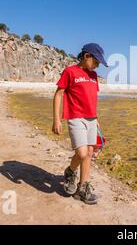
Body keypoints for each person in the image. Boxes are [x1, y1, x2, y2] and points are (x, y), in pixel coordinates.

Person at [52, 43, 108, 204]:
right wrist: (57, 119)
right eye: (96, 61)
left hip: (91, 119)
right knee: (82, 153)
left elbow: (91, 99)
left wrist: (96, 119)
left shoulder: (93, 76)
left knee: (89, 153)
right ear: (86, 56)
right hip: (75, 117)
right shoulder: (70, 72)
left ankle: (82, 189)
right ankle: (70, 172)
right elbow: (58, 95)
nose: (97, 65)